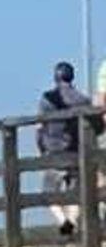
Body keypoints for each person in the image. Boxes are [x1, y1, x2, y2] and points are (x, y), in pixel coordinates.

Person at [37, 62, 103, 236]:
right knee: (77, 191)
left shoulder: (47, 99)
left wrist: (42, 148)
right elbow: (98, 127)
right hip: (76, 151)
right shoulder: (83, 100)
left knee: (49, 193)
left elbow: (40, 127)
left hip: (54, 151)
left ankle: (62, 221)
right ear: (71, 77)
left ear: (55, 77)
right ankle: (72, 221)